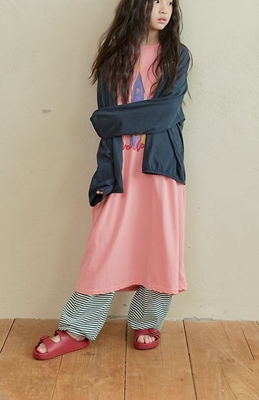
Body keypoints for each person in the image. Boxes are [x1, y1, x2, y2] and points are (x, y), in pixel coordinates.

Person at [33, 0, 191, 360]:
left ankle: (147, 322)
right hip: (118, 167)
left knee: (160, 244)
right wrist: (112, 121)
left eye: (169, 2)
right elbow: (108, 117)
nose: (164, 9)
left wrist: (112, 120)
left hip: (161, 165)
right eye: (155, 2)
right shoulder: (114, 58)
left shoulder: (177, 55)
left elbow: (166, 111)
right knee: (104, 247)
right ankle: (76, 329)